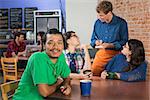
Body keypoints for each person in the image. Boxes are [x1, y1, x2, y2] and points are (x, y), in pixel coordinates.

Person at [13, 29, 71, 99]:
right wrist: (57, 83)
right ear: (44, 45)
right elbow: (44, 92)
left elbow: (66, 77)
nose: (55, 47)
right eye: (50, 43)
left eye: (59, 43)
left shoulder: (61, 56)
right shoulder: (38, 58)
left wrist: (66, 85)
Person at [90, 0, 128, 76]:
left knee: (116, 74)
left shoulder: (121, 23)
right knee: (94, 72)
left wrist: (112, 45)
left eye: (102, 15)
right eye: (99, 15)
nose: (100, 18)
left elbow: (124, 41)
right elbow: (92, 40)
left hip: (117, 54)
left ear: (109, 13)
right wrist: (95, 42)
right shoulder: (97, 23)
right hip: (102, 53)